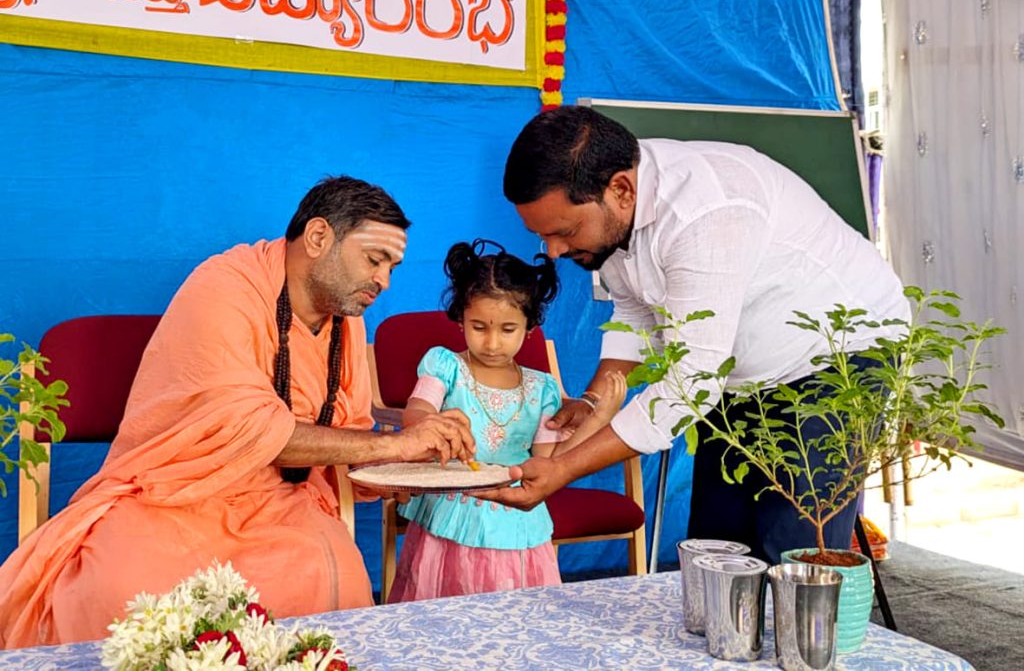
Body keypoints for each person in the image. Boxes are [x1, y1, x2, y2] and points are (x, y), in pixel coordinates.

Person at [0, 176, 476, 648]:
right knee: (118, 585)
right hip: (173, 492)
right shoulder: (224, 284)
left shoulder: (346, 322)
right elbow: (249, 430)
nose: (384, 281)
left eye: (392, 267)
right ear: (317, 237)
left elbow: (349, 447)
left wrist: (420, 465)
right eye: (375, 260)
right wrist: (394, 445)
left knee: (337, 576)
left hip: (283, 500)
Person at [478, 105, 910, 564]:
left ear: (621, 189)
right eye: (543, 236)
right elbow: (636, 311)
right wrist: (591, 404)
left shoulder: (708, 212)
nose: (554, 251)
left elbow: (693, 381)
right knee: (717, 551)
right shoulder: (614, 212)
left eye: (565, 232)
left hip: (839, 357)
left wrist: (563, 468)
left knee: (793, 552)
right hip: (735, 375)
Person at [388, 240, 627, 602]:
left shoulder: (541, 389)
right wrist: (434, 425)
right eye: (479, 327)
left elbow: (550, 461)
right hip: (453, 514)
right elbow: (417, 411)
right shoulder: (445, 366)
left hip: (519, 520)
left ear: (530, 327)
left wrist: (600, 418)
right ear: (460, 319)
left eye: (507, 329)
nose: (492, 343)